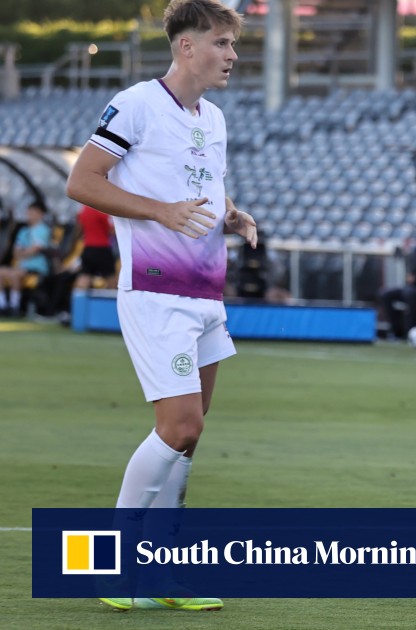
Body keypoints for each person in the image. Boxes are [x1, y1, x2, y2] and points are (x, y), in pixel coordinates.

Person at [63, 0, 254, 612]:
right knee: (181, 425)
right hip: (154, 292)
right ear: (186, 47)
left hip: (205, 294)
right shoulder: (137, 103)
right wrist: (160, 212)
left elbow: (197, 188)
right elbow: (83, 181)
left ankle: (162, 576)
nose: (231, 55)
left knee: (187, 440)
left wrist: (228, 215)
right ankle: (110, 563)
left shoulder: (215, 117)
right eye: (222, 43)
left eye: (233, 44)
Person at [0, 202, 51, 316]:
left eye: (32, 213)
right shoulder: (23, 231)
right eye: (28, 213)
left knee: (15, 274)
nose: (29, 215)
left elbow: (35, 250)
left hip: (37, 267)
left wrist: (23, 253)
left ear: (40, 214)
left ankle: (15, 306)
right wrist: (24, 253)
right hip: (22, 266)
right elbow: (16, 252)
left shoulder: (43, 230)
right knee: (1, 272)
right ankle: (3, 305)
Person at [75, 204, 118, 290]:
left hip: (87, 248)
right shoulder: (101, 210)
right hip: (102, 248)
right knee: (112, 279)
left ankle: (79, 301)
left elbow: (79, 228)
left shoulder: (83, 210)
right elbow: (110, 230)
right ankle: (110, 302)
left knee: (84, 277)